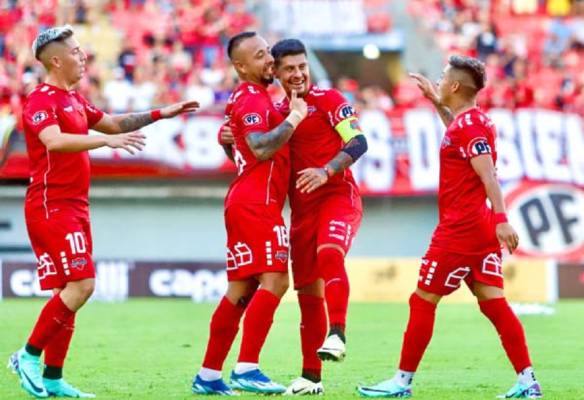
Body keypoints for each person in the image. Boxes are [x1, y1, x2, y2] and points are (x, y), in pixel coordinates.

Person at [8, 25, 199, 399]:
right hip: (51, 206)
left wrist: (161, 113)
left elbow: (114, 123)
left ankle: (53, 378)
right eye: (76, 52)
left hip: (75, 206)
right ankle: (27, 356)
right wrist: (105, 141)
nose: (83, 57)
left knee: (67, 292)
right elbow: (54, 141)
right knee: (82, 286)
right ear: (56, 61)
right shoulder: (40, 100)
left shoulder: (74, 99)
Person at [357, 55, 542, 399]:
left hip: (461, 229)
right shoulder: (471, 121)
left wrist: (502, 219)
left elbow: (488, 175)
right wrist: (434, 100)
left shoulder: (469, 126)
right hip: (478, 226)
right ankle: (528, 381)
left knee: (422, 301)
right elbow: (459, 138)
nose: (439, 82)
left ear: (455, 86)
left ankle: (401, 383)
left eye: (442, 78)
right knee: (494, 304)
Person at [191, 31, 307, 396]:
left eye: (267, 52)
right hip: (256, 203)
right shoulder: (253, 98)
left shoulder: (249, 98)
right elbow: (259, 148)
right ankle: (247, 367)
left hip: (247, 200)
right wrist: (294, 118)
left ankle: (208, 375)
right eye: (260, 56)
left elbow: (243, 148)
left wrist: (230, 141)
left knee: (240, 291)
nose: (269, 59)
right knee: (276, 281)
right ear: (241, 67)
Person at [270, 38, 367, 395]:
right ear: (276, 72)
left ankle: (337, 333)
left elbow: (358, 142)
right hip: (302, 211)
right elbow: (259, 151)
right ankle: (311, 378)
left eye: (302, 66)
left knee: (330, 251)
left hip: (338, 195)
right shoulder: (278, 114)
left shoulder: (329, 100)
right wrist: (227, 140)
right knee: (308, 294)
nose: (298, 74)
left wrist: (327, 170)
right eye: (289, 69)